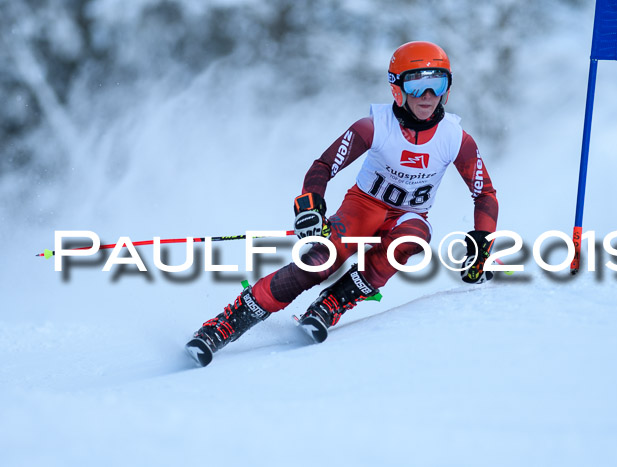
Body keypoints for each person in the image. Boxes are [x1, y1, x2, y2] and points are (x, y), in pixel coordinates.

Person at [187, 41, 498, 364]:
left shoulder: (455, 139)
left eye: (438, 84)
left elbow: (485, 194)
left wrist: (481, 241)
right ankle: (225, 324)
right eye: (417, 85)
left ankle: (332, 304)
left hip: (407, 216)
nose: (428, 96)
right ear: (397, 89)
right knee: (320, 262)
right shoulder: (374, 127)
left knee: (414, 237)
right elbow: (323, 166)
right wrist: (310, 205)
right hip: (363, 208)